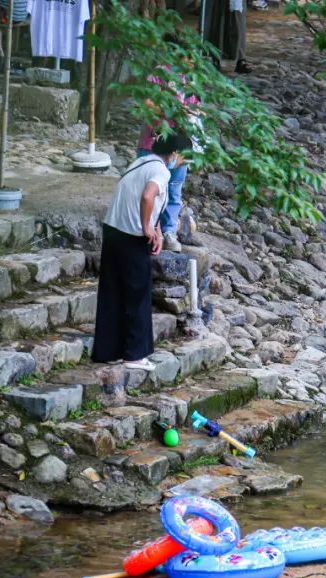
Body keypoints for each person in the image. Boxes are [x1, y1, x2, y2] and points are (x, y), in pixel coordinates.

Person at [91, 132, 192, 371]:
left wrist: (155, 228)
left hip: (113, 229)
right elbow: (148, 196)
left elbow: (143, 198)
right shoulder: (161, 171)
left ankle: (108, 351)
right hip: (132, 235)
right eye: (183, 160)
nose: (181, 164)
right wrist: (146, 226)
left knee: (112, 291)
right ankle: (135, 354)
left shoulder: (140, 162)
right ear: (175, 154)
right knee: (138, 294)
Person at [136, 58, 201, 253]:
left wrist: (192, 112)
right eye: (189, 56)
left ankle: (169, 231)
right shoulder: (160, 74)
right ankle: (143, 228)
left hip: (180, 145)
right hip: (154, 144)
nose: (193, 61)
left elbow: (196, 107)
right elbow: (147, 104)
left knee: (174, 190)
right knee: (148, 190)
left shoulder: (191, 80)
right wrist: (171, 110)